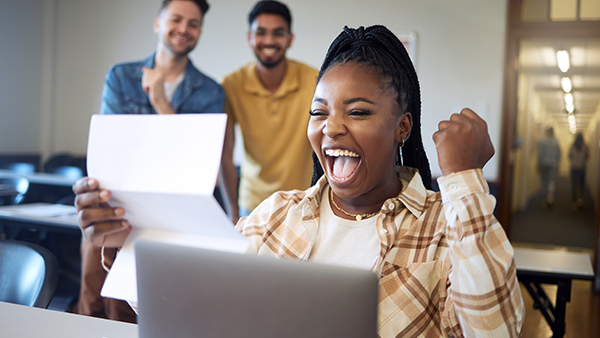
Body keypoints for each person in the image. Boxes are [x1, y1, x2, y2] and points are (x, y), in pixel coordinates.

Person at [74, 25, 524, 336]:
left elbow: (494, 331)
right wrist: (123, 241)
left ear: (403, 127)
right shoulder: (275, 215)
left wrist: (463, 179)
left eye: (359, 111)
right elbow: (191, 306)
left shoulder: (446, 227)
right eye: (319, 112)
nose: (330, 128)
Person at [77, 0, 224, 323]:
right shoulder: (121, 77)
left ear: (200, 31)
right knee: (92, 301)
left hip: (173, 212)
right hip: (117, 201)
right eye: (176, 19)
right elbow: (113, 149)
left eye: (194, 23)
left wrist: (160, 102)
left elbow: (196, 166)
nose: (184, 29)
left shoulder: (211, 92)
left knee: (137, 313)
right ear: (158, 23)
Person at [219, 0, 319, 222]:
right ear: (249, 38)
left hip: (302, 202)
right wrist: (232, 213)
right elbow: (225, 154)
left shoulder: (315, 81)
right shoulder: (231, 85)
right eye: (261, 33)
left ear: (290, 39)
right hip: (252, 205)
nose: (269, 41)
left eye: (278, 33)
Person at [537, 126, 561, 208]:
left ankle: (544, 198)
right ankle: (550, 197)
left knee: (544, 181)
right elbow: (558, 155)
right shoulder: (556, 142)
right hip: (553, 164)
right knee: (551, 181)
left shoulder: (542, 141)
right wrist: (558, 165)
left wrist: (538, 164)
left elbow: (540, 154)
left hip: (544, 163)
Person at [569, 132, 589, 211]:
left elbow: (569, 156)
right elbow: (587, 157)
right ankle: (580, 201)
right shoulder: (585, 147)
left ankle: (574, 202)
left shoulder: (572, 146)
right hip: (582, 168)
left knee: (574, 185)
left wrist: (574, 161)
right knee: (581, 185)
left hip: (574, 168)